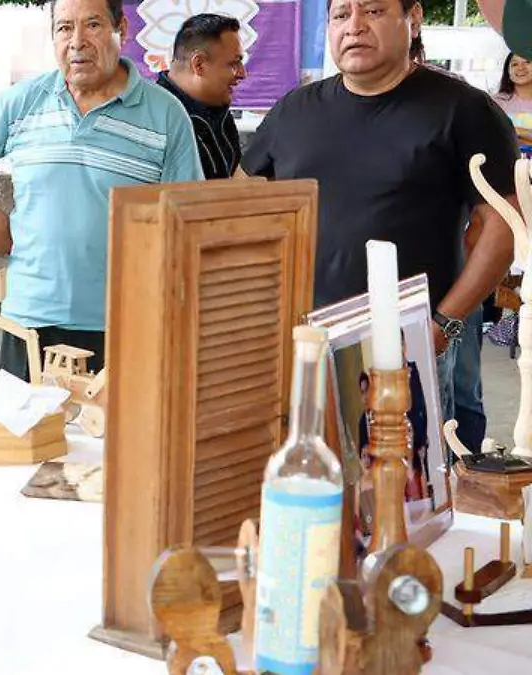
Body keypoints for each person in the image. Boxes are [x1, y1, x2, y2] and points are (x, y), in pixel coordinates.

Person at [241, 0, 520, 427]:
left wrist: (444, 324)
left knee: (402, 487)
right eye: (340, 15)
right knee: (305, 478)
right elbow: (239, 203)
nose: (354, 26)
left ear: (413, 17)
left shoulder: (463, 110)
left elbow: (499, 226)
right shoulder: (294, 111)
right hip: (302, 341)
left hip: (404, 346)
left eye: (373, 11)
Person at [0, 0, 203, 381]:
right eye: (64, 28)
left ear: (121, 27)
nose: (77, 41)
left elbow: (191, 222)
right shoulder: (25, 100)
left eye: (92, 25)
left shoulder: (166, 114)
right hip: (30, 318)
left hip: (125, 322)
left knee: (110, 439)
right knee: (25, 438)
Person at [155, 13, 246, 179]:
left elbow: (236, 178)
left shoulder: (220, 112)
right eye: (234, 63)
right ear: (199, 64)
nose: (242, 73)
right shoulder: (154, 119)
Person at [494, 52, 532, 145]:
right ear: (508, 71)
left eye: (527, 62)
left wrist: (518, 131)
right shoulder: (495, 102)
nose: (520, 68)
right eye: (514, 64)